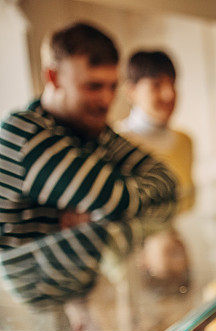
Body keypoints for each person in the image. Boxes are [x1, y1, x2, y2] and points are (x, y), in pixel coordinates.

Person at [0, 22, 177, 250]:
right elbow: (117, 202)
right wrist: (106, 206)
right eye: (93, 86)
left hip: (83, 281)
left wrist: (95, 212)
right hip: (30, 285)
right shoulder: (24, 132)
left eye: (112, 86)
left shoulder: (91, 130)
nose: (107, 100)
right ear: (53, 77)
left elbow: (166, 179)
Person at [117, 50, 195, 211]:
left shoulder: (185, 140)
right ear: (131, 91)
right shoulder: (117, 142)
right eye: (156, 85)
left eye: (172, 83)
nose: (169, 94)